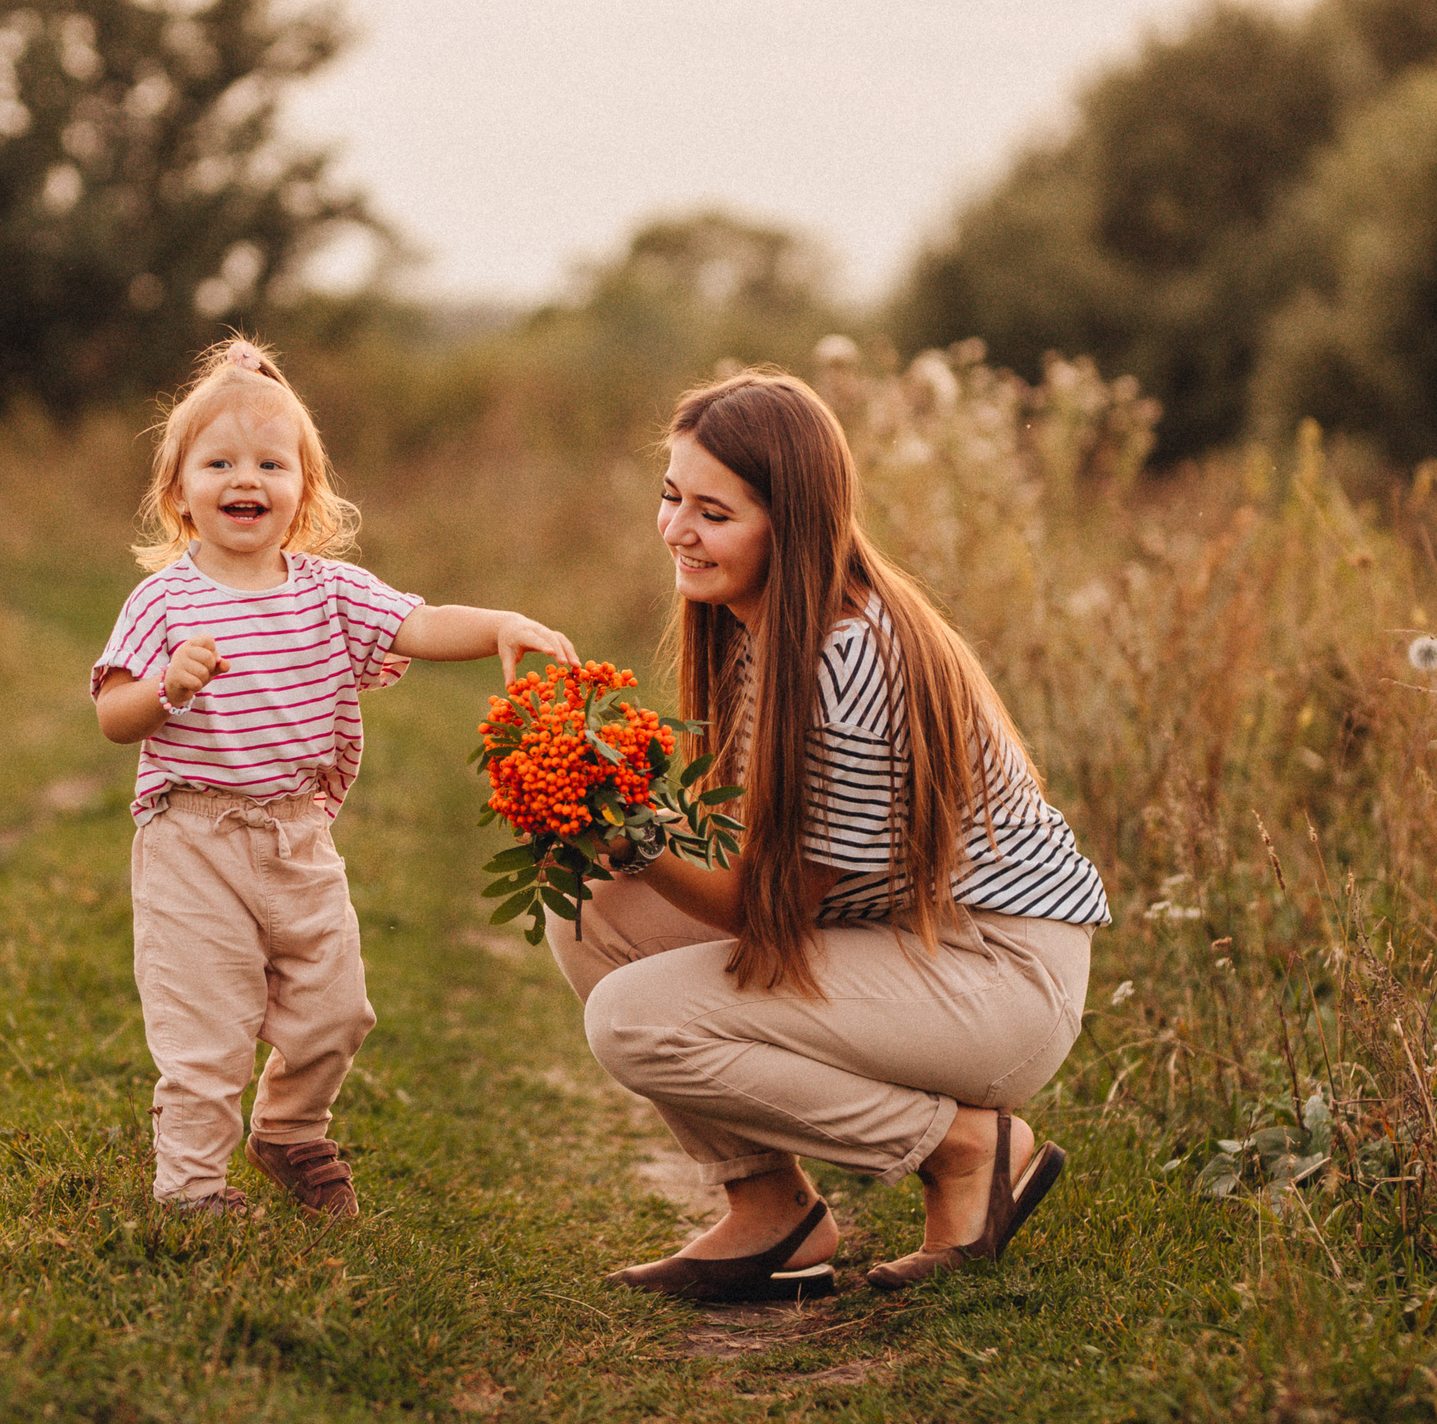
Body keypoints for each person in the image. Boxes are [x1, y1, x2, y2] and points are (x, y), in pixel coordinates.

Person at [552, 368, 1108, 1299]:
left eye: (714, 513)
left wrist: (639, 835)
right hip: (905, 937)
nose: (677, 531)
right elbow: (756, 857)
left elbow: (765, 910)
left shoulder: (848, 662)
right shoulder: (758, 625)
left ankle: (972, 1149)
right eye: (671, 496)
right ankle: (772, 1210)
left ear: (793, 521)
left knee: (633, 1017)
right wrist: (608, 823)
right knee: (590, 911)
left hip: (996, 974)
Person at [94, 338, 575, 1217]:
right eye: (221, 461)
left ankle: (287, 1129)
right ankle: (191, 1191)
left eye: (272, 463)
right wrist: (168, 685)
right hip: (191, 838)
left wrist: (502, 621)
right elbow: (115, 711)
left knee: (337, 1010)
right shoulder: (163, 599)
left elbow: (421, 625)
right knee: (207, 1030)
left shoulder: (327, 591)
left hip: (296, 835)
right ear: (180, 492)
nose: (248, 478)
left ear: (303, 491)